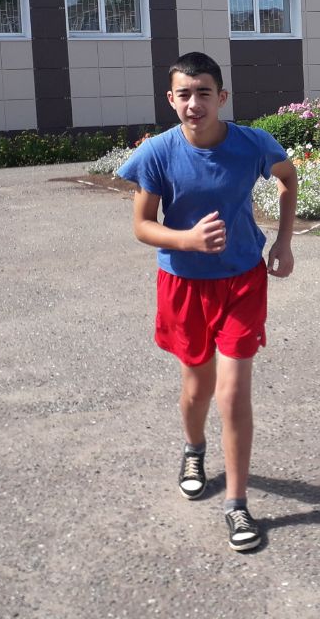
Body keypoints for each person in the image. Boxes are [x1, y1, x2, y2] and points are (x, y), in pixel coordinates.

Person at [117, 52, 297, 552]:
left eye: (203, 93)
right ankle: (194, 449)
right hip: (184, 285)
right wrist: (187, 240)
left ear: (222, 97)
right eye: (184, 94)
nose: (194, 104)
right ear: (170, 99)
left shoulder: (251, 144)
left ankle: (237, 505)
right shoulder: (157, 153)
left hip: (242, 279)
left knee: (233, 393)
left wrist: (283, 241)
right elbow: (141, 226)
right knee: (198, 389)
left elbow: (287, 177)